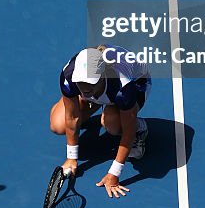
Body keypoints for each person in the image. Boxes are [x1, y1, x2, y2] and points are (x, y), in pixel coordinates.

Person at [49, 44, 151, 198]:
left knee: (111, 125)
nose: (83, 87)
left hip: (137, 85)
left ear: (102, 76)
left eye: (90, 81)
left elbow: (127, 133)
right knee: (58, 125)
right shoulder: (69, 76)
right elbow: (72, 117)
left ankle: (140, 126)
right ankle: (94, 103)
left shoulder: (124, 88)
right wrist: (71, 158)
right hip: (101, 91)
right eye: (80, 82)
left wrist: (114, 173)